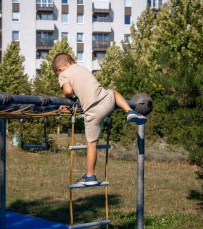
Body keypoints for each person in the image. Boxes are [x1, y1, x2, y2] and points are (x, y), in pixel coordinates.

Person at [53, 53, 147, 186]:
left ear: (60, 69)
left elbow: (68, 91)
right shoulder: (82, 68)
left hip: (93, 112)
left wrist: (67, 93)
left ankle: (90, 175)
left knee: (92, 144)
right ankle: (130, 111)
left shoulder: (64, 74)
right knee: (113, 92)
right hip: (107, 101)